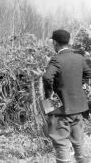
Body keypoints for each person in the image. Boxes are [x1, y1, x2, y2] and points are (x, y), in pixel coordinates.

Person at [43, 29, 91, 163]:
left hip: (61, 110)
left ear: (55, 43)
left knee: (61, 143)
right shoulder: (79, 58)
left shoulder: (56, 59)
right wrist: (77, 86)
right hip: (78, 108)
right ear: (68, 42)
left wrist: (50, 94)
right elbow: (88, 74)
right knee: (79, 142)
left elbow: (47, 77)